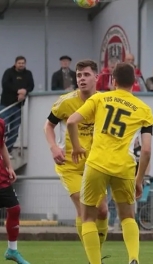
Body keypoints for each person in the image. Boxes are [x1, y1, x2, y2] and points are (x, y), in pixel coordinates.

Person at [66, 62, 153, 264]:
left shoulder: (99, 98)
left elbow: (71, 121)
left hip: (97, 164)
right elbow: (147, 151)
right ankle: (133, 258)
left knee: (88, 217)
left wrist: (78, 147)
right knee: (128, 217)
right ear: (134, 82)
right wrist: (139, 179)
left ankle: (96, 262)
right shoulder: (144, 110)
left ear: (113, 81)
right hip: (124, 167)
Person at [43, 60, 109, 262]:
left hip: (94, 164)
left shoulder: (104, 102)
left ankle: (95, 251)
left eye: (86, 75)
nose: (81, 79)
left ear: (96, 77)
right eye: (79, 75)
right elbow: (48, 126)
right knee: (85, 209)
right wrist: (54, 147)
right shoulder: (65, 102)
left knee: (103, 211)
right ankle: (93, 259)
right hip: (69, 166)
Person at [0, 118, 30, 264]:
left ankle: (12, 250)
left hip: (0, 176)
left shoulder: (1, 122)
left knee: (15, 208)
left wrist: (10, 167)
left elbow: (2, 145)